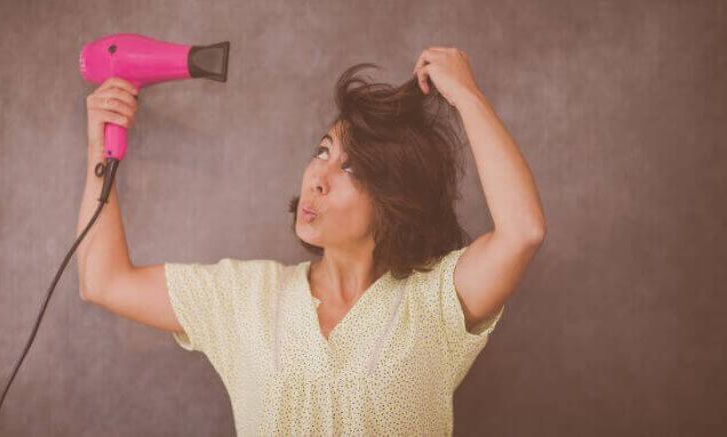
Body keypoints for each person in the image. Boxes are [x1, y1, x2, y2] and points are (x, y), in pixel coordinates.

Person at [76, 47, 546, 435]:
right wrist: (102, 147)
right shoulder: (245, 298)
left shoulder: (435, 303)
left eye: (350, 167)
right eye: (322, 151)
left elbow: (522, 232)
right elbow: (103, 280)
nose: (317, 177)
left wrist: (465, 94)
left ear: (394, 201)